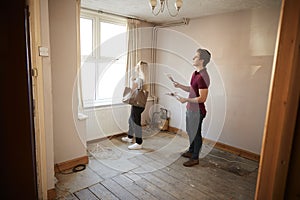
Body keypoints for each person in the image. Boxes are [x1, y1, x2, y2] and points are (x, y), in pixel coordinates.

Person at [173, 48, 211, 167]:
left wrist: (186, 100)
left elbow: (202, 98)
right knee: (190, 131)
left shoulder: (203, 76)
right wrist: (179, 86)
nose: (193, 58)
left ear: (202, 60)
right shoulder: (195, 74)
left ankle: (195, 158)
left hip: (197, 111)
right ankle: (191, 151)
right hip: (190, 108)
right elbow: (192, 89)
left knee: (196, 133)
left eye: (195, 57)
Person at [121, 61, 148, 150]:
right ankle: (129, 137)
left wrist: (132, 80)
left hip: (138, 104)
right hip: (137, 104)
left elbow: (135, 88)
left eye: (138, 66)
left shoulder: (140, 79)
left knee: (136, 123)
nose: (136, 67)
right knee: (131, 120)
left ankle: (139, 143)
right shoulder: (141, 78)